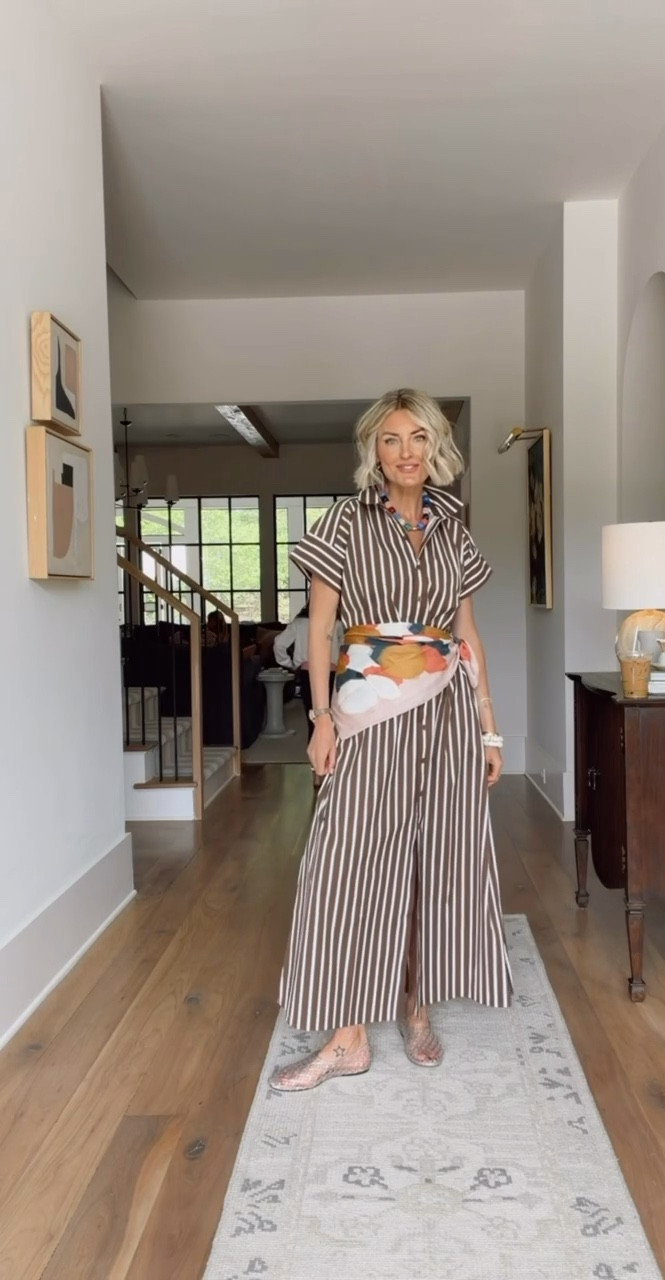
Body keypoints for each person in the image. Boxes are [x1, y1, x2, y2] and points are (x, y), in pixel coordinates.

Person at [269, 389, 512, 1093]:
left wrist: (489, 726)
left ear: (437, 448)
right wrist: (318, 718)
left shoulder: (455, 531)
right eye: (390, 440)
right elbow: (319, 629)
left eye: (418, 438)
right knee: (344, 867)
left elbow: (466, 637)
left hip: (447, 716)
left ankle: (416, 1007)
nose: (405, 452)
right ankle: (347, 1037)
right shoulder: (343, 522)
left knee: (435, 862)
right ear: (373, 452)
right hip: (368, 717)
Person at [273, 604, 342, 755]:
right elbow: (344, 647)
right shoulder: (336, 622)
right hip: (332, 672)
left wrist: (289, 664)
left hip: (307, 671)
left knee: (313, 719)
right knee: (333, 719)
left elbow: (279, 644)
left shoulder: (299, 623)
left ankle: (316, 766)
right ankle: (332, 760)